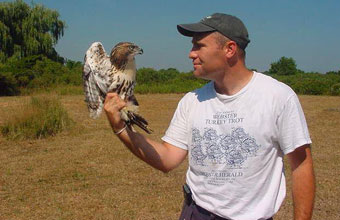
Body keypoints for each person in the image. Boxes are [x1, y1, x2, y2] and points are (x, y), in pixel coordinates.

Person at [103, 13, 315, 220]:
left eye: (199, 45)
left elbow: (301, 166)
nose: (191, 53)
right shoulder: (192, 101)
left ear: (229, 49)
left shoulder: (278, 97)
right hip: (196, 213)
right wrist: (121, 128)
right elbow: (167, 158)